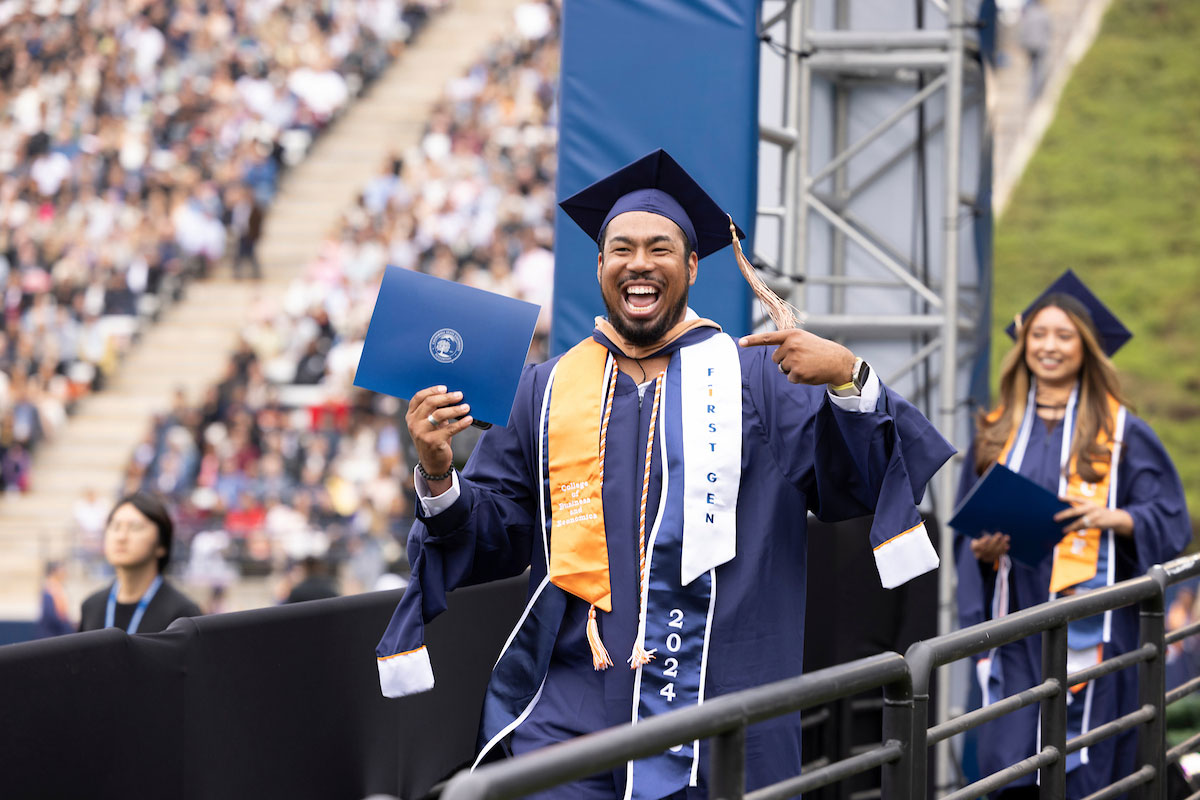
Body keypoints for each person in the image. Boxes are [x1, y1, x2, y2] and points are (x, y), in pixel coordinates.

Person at [375, 149, 953, 799]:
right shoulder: (544, 390)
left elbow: (869, 476)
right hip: (571, 724)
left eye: (660, 248)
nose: (640, 263)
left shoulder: (756, 379)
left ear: (692, 266)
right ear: (599, 267)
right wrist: (436, 471)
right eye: (621, 249)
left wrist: (850, 379)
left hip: (720, 726)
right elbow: (496, 532)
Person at [954, 271, 1190, 799]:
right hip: (1015, 630)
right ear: (1023, 345)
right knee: (1010, 764)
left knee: (1090, 765)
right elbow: (967, 539)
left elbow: (1170, 517)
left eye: (1064, 336)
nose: (1049, 347)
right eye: (1039, 335)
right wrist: (984, 554)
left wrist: (1117, 519)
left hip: (1095, 631)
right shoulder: (996, 431)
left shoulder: (1121, 432)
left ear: (1085, 347)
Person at [80, 492, 202, 634]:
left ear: (161, 545)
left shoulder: (183, 614)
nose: (121, 536)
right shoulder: (91, 607)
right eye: (115, 526)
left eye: (135, 527)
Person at [35, 561, 74, 638]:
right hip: (51, 635)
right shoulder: (49, 589)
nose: (64, 573)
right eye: (61, 570)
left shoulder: (59, 588)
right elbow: (51, 616)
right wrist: (67, 628)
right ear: (54, 571)